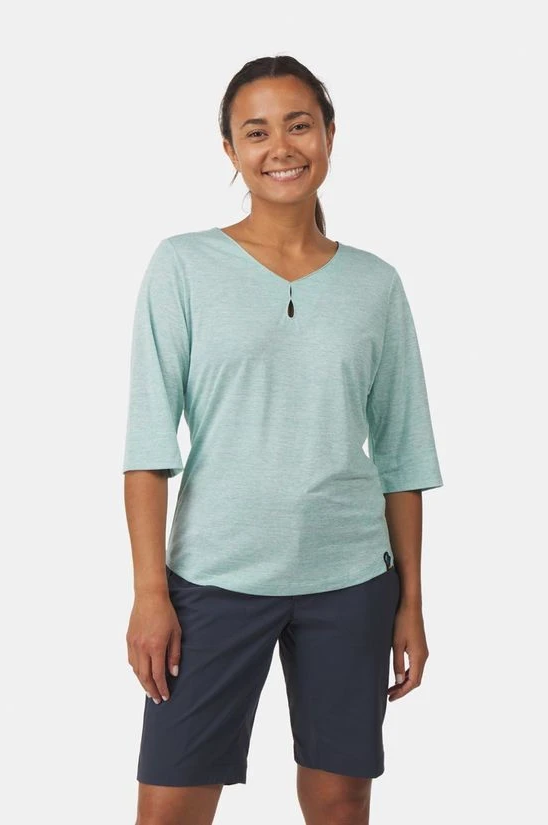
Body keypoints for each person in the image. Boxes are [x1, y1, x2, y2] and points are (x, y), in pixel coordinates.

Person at [123, 54, 444, 825]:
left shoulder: (375, 284)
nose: (281, 147)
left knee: (340, 802)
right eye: (257, 131)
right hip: (212, 577)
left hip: (351, 580)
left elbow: (402, 457)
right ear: (230, 149)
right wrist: (149, 593)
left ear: (329, 134)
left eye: (299, 125)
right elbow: (147, 446)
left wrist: (411, 602)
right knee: (169, 807)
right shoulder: (183, 265)